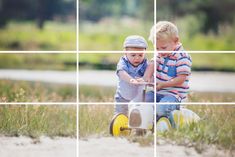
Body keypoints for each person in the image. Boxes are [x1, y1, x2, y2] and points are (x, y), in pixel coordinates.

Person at [146, 21, 192, 127]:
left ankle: (166, 124)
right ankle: (144, 123)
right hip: (157, 92)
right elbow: (153, 64)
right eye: (157, 48)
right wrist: (147, 77)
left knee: (163, 107)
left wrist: (163, 85)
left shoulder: (182, 56)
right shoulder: (160, 54)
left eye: (163, 48)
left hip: (174, 95)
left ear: (175, 41)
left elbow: (181, 79)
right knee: (142, 101)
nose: (160, 51)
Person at [114, 35, 148, 116]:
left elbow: (149, 75)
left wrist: (147, 79)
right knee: (121, 115)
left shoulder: (145, 64)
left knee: (138, 114)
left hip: (138, 97)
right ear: (125, 52)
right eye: (133, 55)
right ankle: (120, 125)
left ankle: (138, 127)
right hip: (123, 96)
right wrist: (131, 80)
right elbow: (121, 72)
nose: (137, 58)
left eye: (140, 55)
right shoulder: (123, 62)